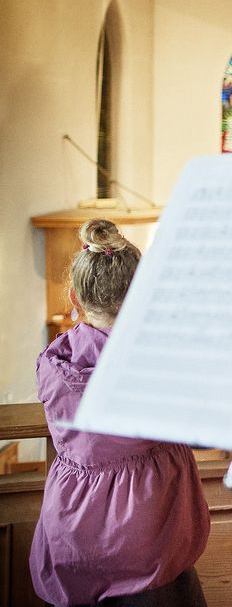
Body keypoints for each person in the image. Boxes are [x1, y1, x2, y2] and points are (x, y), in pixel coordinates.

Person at [30, 220, 211, 606]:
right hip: (147, 537)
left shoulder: (51, 362)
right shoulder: (157, 368)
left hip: (70, 534)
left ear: (75, 298)